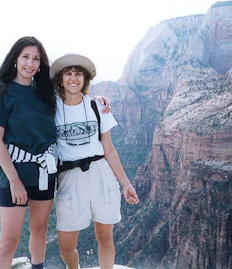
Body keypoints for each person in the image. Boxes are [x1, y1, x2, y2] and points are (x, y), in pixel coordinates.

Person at [0, 36, 110, 269]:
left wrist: (95, 100)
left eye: (36, 59)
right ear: (15, 59)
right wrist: (14, 181)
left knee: (40, 231)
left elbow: (71, 99)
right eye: (25, 57)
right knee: (8, 242)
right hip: (15, 172)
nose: (30, 64)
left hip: (45, 171)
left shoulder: (44, 92)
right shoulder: (1, 92)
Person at [50, 53, 139, 269]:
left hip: (100, 172)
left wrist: (126, 184)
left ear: (85, 79)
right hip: (69, 176)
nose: (73, 78)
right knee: (66, 247)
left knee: (105, 237)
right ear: (61, 79)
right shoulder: (52, 108)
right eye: (68, 74)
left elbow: (109, 149)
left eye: (78, 74)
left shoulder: (97, 107)